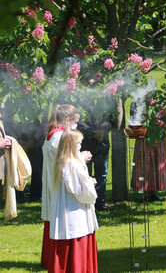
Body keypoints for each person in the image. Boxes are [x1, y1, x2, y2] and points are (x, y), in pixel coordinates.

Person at [41, 104, 85, 269]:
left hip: (55, 183)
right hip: (61, 186)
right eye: (74, 122)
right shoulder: (59, 136)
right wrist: (82, 157)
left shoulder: (53, 134)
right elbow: (67, 162)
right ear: (67, 120)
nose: (75, 126)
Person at [49, 129, 99, 272]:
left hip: (65, 208)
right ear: (71, 145)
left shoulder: (61, 161)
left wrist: (87, 182)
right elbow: (78, 190)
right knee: (76, 244)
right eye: (78, 143)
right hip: (74, 210)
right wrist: (90, 184)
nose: (80, 146)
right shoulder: (72, 164)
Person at [76, 106, 112, 211]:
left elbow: (110, 117)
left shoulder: (105, 95)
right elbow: (78, 121)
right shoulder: (79, 95)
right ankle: (86, 202)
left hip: (102, 143)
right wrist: (91, 133)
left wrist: (103, 132)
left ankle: (99, 202)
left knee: (102, 175)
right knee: (85, 174)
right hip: (85, 142)